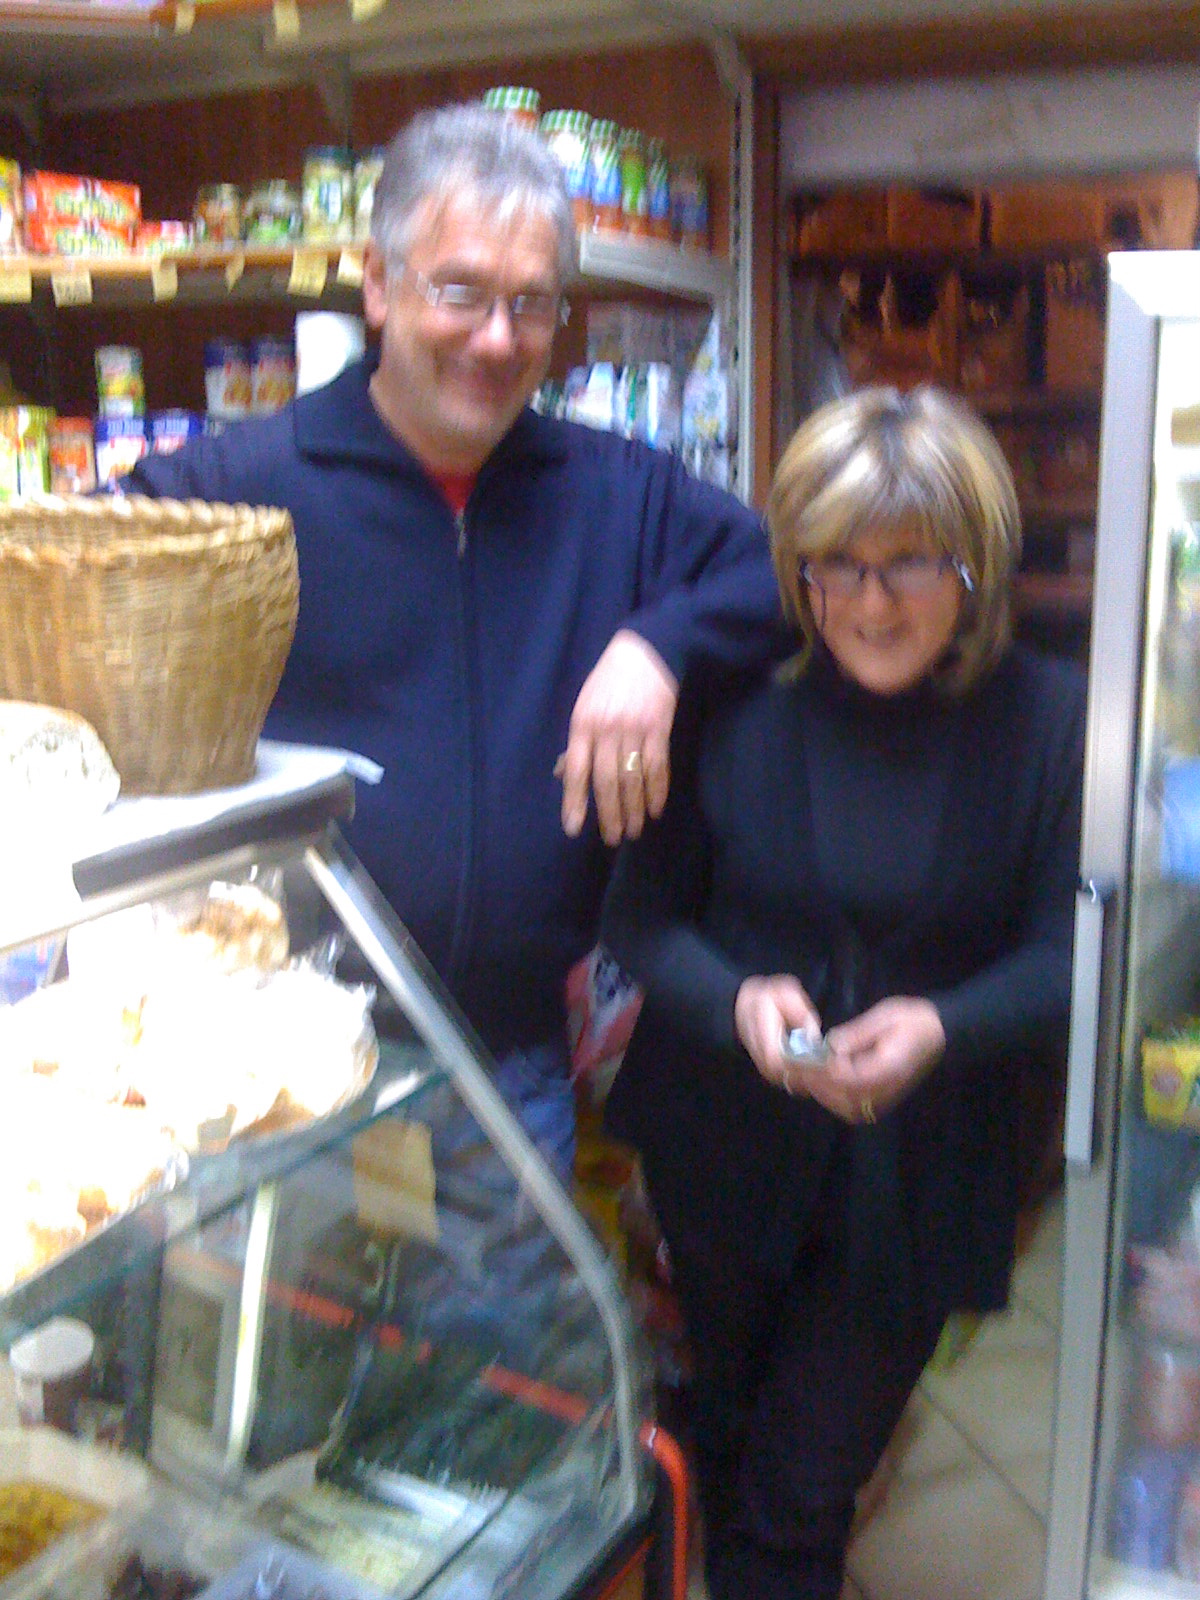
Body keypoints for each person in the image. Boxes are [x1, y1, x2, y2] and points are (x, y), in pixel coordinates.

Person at [125, 102, 786, 1182]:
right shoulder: (243, 484)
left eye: (532, 303)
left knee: (514, 1304)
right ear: (379, 286)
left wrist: (660, 645)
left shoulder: (611, 490)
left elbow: (783, 573)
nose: (498, 339)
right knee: (290, 1302)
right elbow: (68, 566)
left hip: (508, 1070)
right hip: (280, 1063)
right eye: (462, 292)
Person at [600, 384, 1085, 1599]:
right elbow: (640, 922)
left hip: (921, 1175)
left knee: (801, 1493)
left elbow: (1069, 954)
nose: (870, 602)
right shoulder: (730, 703)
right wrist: (737, 1002)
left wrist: (942, 1024)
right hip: (722, 1152)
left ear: (973, 563)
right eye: (837, 564)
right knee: (727, 1425)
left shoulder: (1048, 720)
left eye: (909, 562)